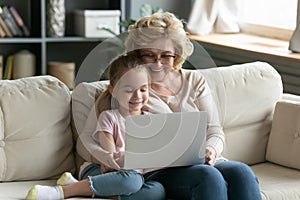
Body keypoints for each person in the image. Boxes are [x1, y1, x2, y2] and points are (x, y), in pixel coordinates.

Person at [123, 12, 262, 200]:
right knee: (208, 177)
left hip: (201, 163)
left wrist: (211, 151)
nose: (158, 63)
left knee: (241, 172)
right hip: (159, 170)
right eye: (149, 55)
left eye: (166, 56)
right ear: (137, 55)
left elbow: (214, 130)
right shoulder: (131, 87)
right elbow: (120, 133)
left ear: (177, 55)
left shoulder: (194, 80)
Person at [25, 55, 166, 200]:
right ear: (113, 91)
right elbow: (111, 159)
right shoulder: (109, 117)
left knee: (157, 190)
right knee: (133, 181)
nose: (137, 96)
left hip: (132, 176)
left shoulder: (151, 120)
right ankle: (63, 191)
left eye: (143, 89)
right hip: (102, 170)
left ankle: (90, 189)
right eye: (129, 90)